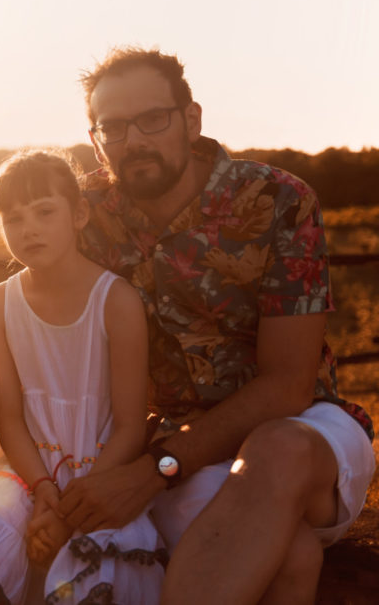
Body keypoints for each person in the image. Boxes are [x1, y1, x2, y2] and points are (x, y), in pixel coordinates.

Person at [61, 46, 376, 604]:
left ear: (192, 118)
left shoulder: (278, 199)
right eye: (110, 128)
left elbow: (287, 386)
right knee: (293, 557)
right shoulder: (88, 218)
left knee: (280, 446)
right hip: (175, 443)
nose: (132, 141)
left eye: (151, 119)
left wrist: (152, 471)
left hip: (307, 432)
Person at [0, 149, 166, 604]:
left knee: (92, 575)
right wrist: (45, 489)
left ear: (79, 214)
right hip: (28, 470)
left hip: (102, 473)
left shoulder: (116, 301)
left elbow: (131, 426)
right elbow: (8, 416)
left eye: (44, 212)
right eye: (12, 220)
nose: (28, 229)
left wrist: (71, 507)